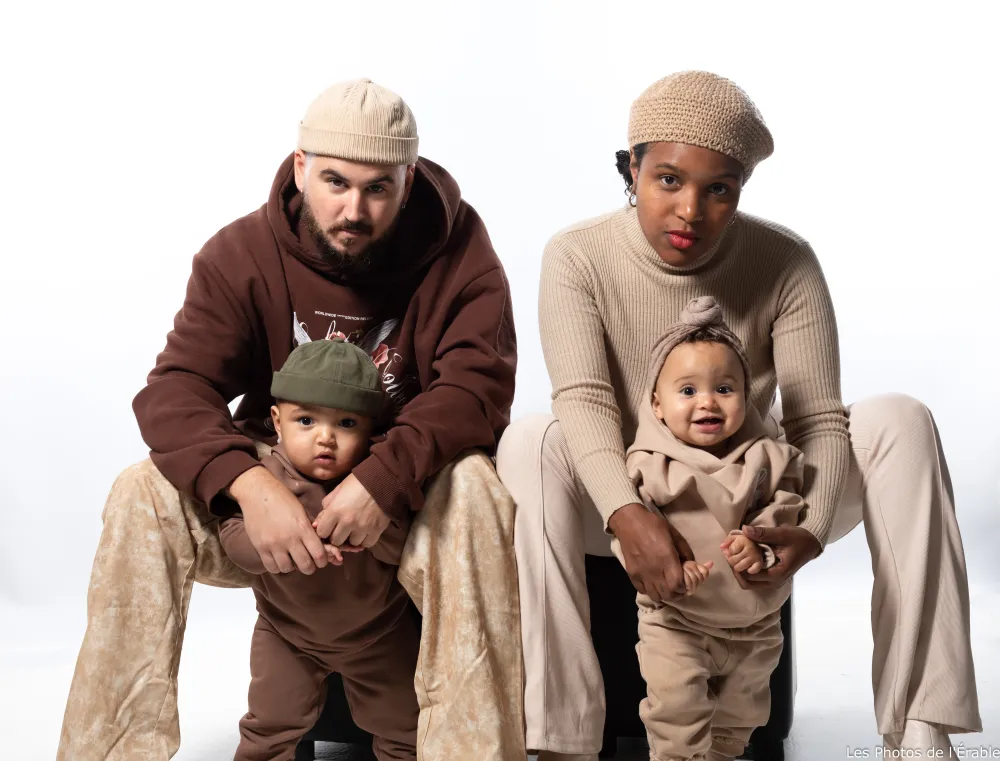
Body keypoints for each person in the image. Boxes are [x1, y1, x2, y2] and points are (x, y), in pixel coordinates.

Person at [496, 70, 981, 761]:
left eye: (718, 189)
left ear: (741, 189)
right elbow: (585, 400)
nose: (689, 210)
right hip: (629, 497)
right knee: (530, 440)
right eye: (668, 180)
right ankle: (562, 741)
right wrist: (628, 514)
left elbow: (817, 419)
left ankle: (919, 732)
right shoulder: (577, 255)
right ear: (631, 169)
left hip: (751, 498)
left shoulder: (785, 260)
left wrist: (810, 525)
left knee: (900, 419)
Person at [57, 78, 525, 761]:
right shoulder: (241, 253)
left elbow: (477, 389)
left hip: (403, 503)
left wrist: (382, 480)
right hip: (273, 495)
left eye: (378, 188)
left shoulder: (460, 252)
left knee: (477, 487)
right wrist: (249, 486)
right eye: (335, 182)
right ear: (302, 167)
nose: (354, 210)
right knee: (140, 492)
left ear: (409, 179)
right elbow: (176, 389)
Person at [622, 296, 805, 761]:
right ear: (657, 405)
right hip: (677, 622)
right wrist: (673, 567)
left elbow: (786, 506)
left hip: (755, 625)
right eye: (687, 391)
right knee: (676, 714)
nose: (707, 401)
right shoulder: (650, 466)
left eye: (724, 388)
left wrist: (759, 542)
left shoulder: (767, 457)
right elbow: (633, 534)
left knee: (739, 719)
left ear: (747, 396)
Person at [218, 339, 419, 761]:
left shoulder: (376, 484)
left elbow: (408, 548)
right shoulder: (265, 478)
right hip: (286, 632)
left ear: (371, 429)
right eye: (306, 420)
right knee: (269, 726)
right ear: (277, 422)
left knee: (406, 730)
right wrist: (280, 543)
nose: (325, 438)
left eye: (346, 423)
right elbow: (232, 538)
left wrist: (368, 531)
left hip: (379, 632)